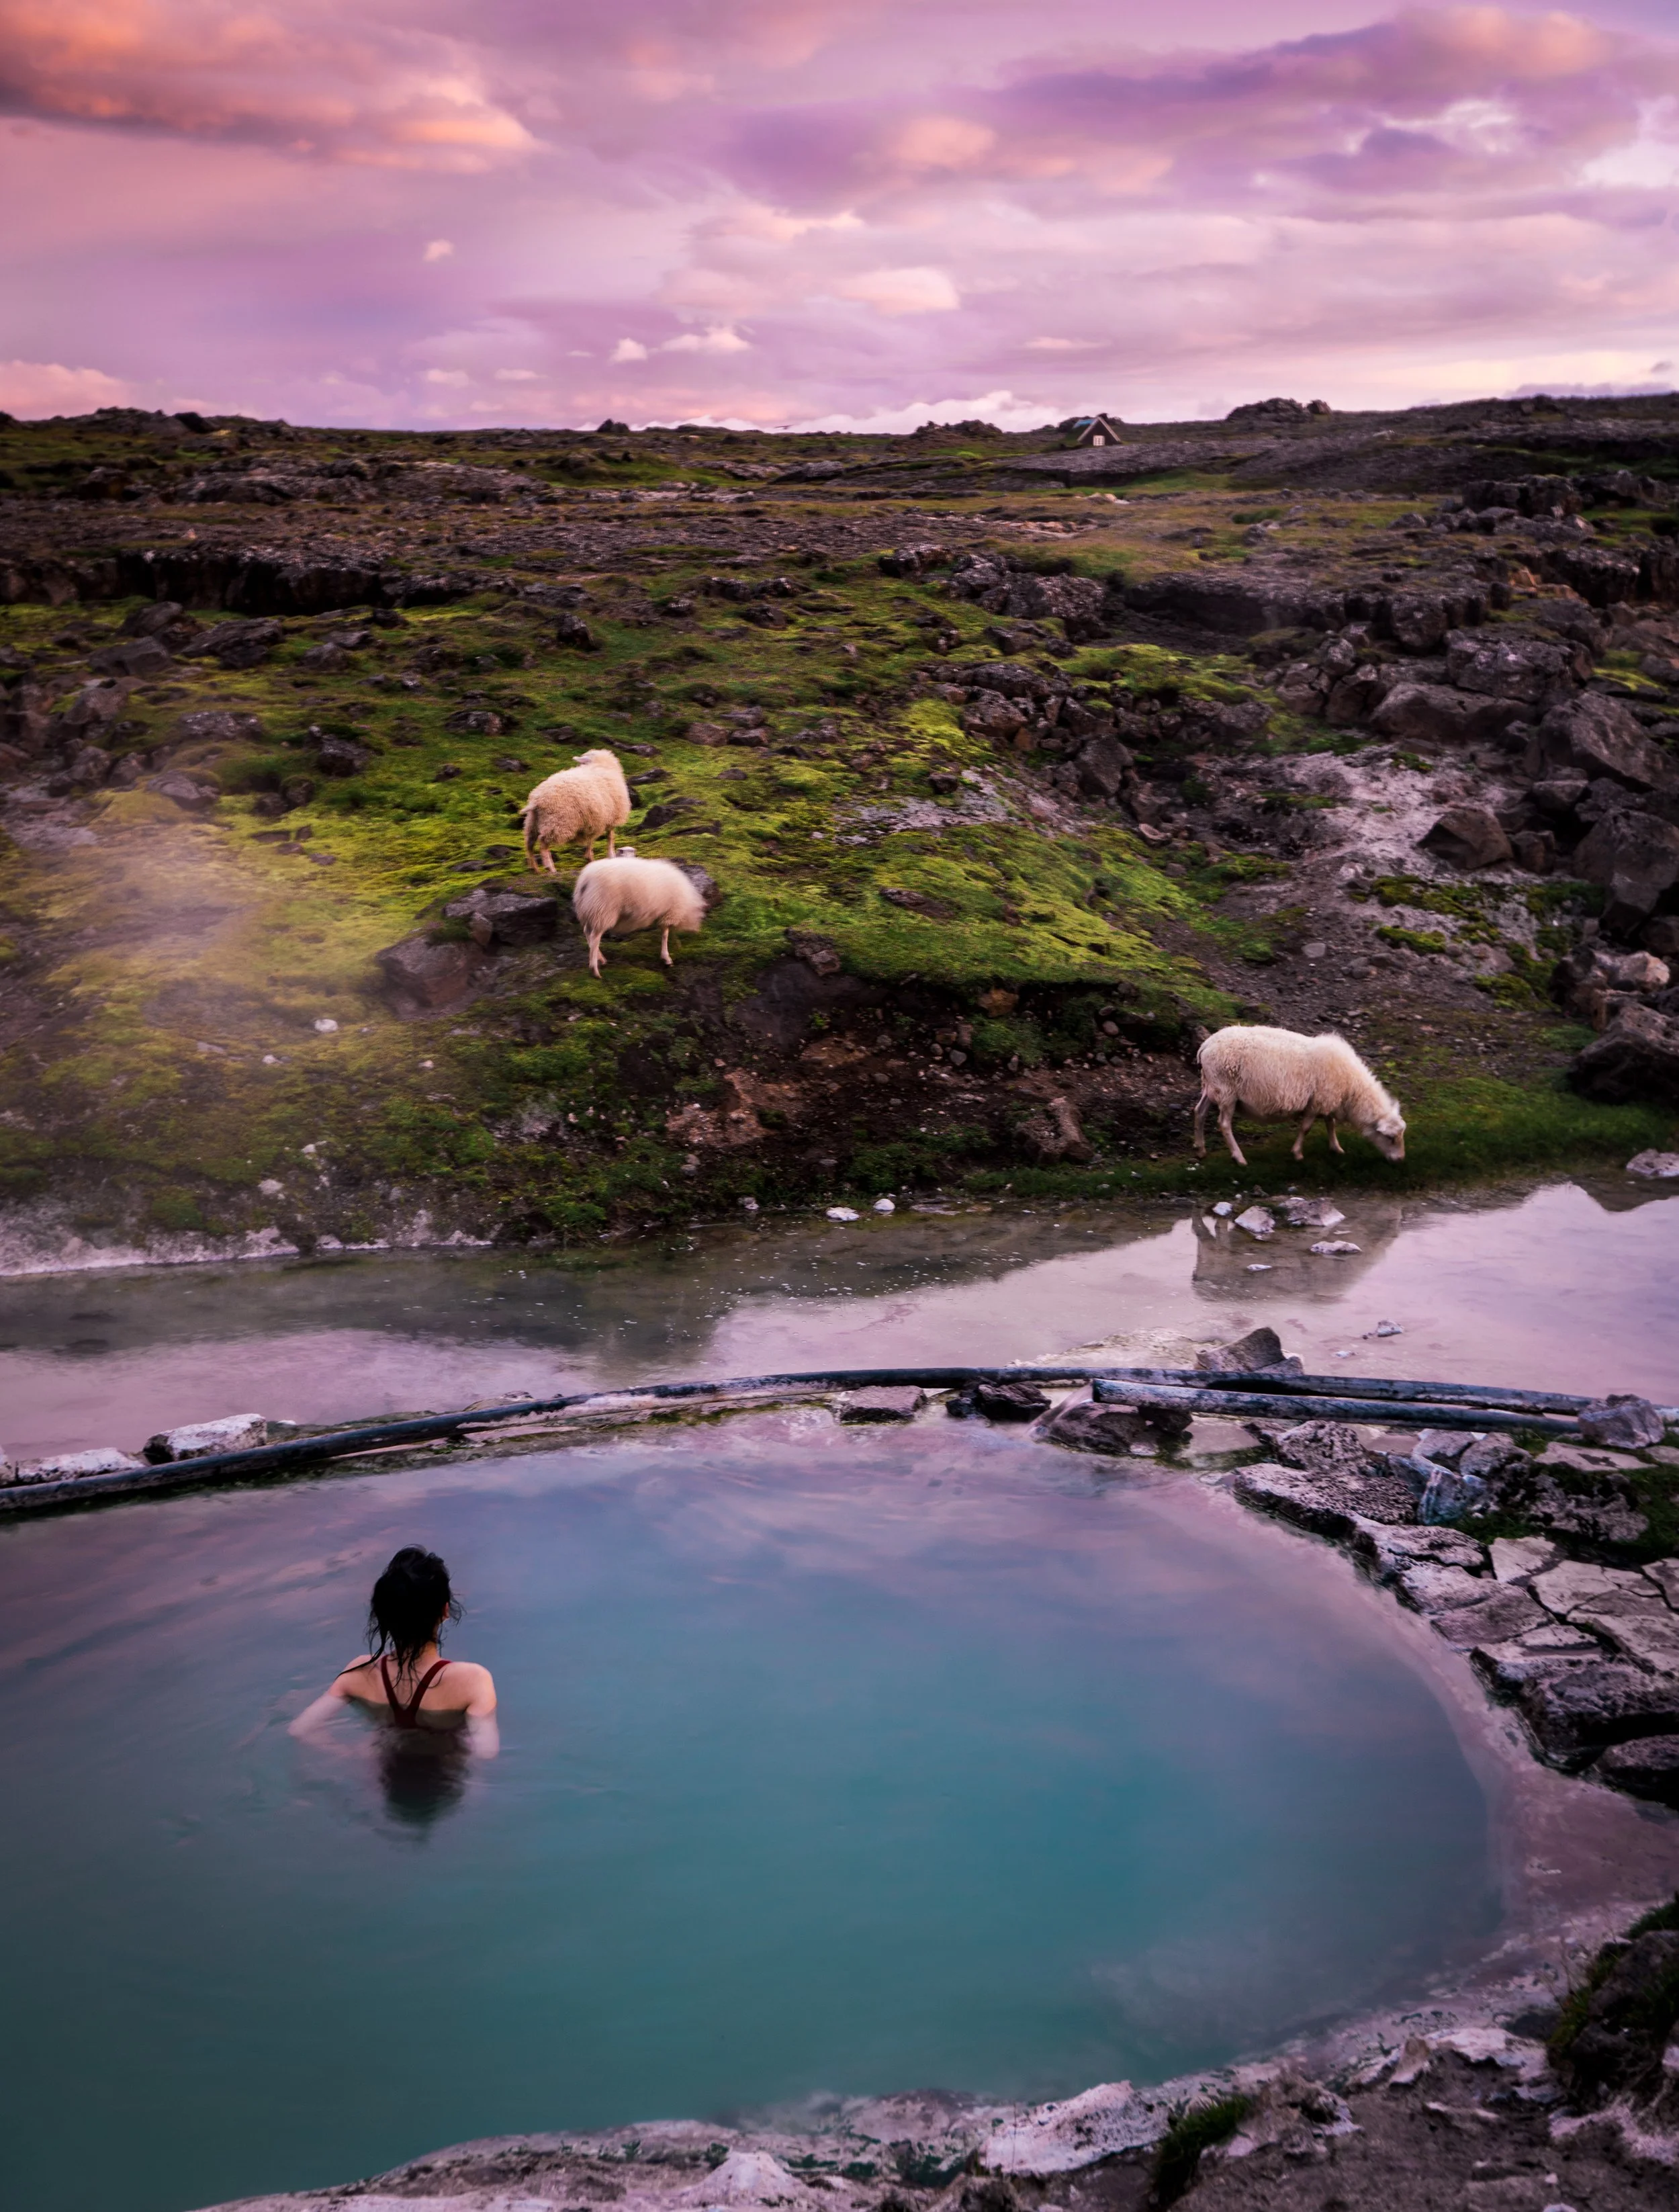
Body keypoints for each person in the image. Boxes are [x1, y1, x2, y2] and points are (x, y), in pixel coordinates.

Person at [290, 1546, 499, 1760]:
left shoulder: (360, 1672)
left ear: (383, 1615)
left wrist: (350, 1754)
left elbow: (300, 1730)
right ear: (445, 1611)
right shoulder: (472, 1680)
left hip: (381, 1777)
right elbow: (486, 1752)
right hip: (445, 1781)